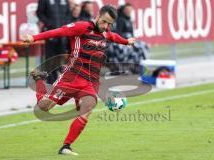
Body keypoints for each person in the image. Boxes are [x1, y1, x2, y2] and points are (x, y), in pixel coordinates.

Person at [22, 5, 135, 156]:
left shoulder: (105, 33)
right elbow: (58, 31)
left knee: (87, 107)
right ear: (97, 16)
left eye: (109, 24)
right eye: (104, 22)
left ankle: (66, 146)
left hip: (90, 81)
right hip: (71, 77)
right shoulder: (81, 27)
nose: (106, 26)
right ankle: (39, 79)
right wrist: (34, 38)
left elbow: (114, 36)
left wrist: (127, 42)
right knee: (43, 108)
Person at [36, 0, 71, 84]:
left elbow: (68, 14)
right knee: (50, 57)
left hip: (62, 33)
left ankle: (62, 81)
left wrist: (66, 24)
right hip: (50, 33)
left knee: (61, 57)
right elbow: (39, 12)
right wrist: (48, 23)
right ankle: (51, 82)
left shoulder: (65, 1)